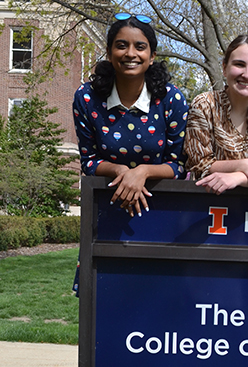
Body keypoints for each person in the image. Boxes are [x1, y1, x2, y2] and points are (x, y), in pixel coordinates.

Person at [73, 13, 188, 216]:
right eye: (121, 45)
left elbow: (178, 165)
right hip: (107, 204)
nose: (130, 53)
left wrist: (142, 172)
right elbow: (89, 161)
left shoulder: (171, 99)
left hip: (161, 206)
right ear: (109, 53)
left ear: (152, 56)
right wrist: (121, 171)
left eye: (140, 47)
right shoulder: (86, 98)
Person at [184, 35, 248, 192]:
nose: (247, 75)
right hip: (211, 204)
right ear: (224, 68)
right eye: (239, 65)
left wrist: (239, 177)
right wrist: (243, 165)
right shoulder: (205, 104)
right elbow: (199, 164)